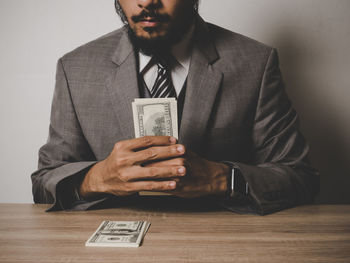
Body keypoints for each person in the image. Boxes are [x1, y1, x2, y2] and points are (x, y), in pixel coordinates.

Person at [31, 0, 319, 215]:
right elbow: (43, 184)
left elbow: (301, 179)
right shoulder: (75, 68)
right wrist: (96, 179)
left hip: (224, 246)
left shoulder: (256, 63)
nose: (146, 2)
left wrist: (223, 179)